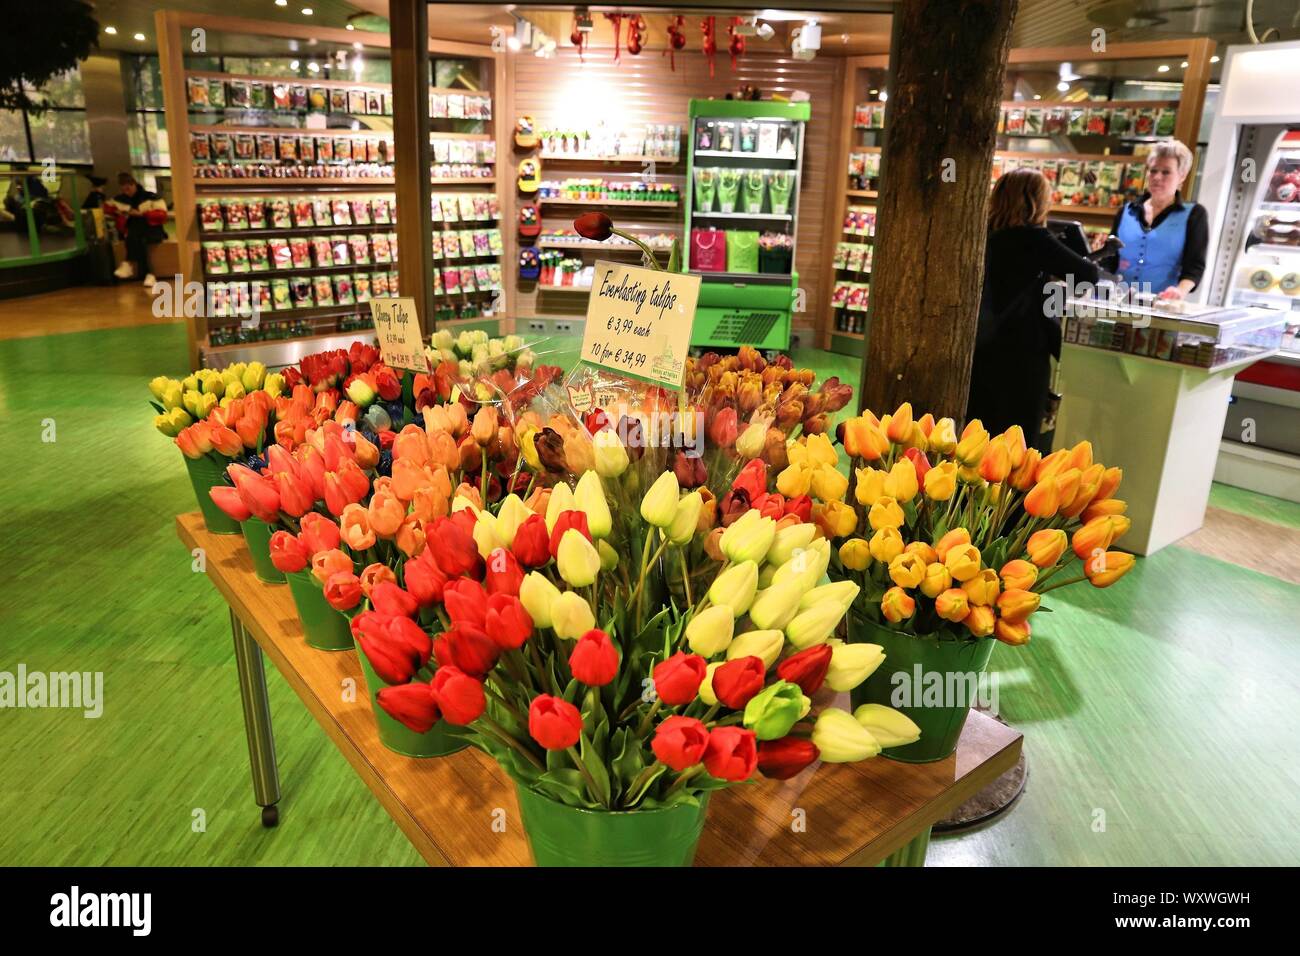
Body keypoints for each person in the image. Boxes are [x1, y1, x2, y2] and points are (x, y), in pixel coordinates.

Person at [967, 168, 1101, 451]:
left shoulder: (981, 234)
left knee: (978, 435)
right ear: (1035, 202)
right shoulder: (1035, 239)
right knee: (1018, 442)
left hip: (979, 349)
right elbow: (1088, 274)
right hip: (1023, 354)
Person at [1108, 140, 1208, 300]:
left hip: (1160, 305)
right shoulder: (1126, 211)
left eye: (1166, 172)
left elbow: (1195, 266)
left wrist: (1179, 291)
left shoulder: (1194, 215)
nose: (1157, 177)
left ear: (1182, 176)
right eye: (1153, 170)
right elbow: (1109, 258)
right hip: (1116, 302)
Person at [106, 172, 167, 287]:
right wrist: (119, 212)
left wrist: (142, 214)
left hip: (153, 231)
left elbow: (162, 215)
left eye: (128, 187)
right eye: (124, 188)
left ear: (134, 184)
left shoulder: (150, 197)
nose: (126, 191)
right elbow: (107, 207)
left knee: (136, 233)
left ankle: (128, 263)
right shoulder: (120, 199)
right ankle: (149, 274)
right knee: (139, 238)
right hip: (137, 233)